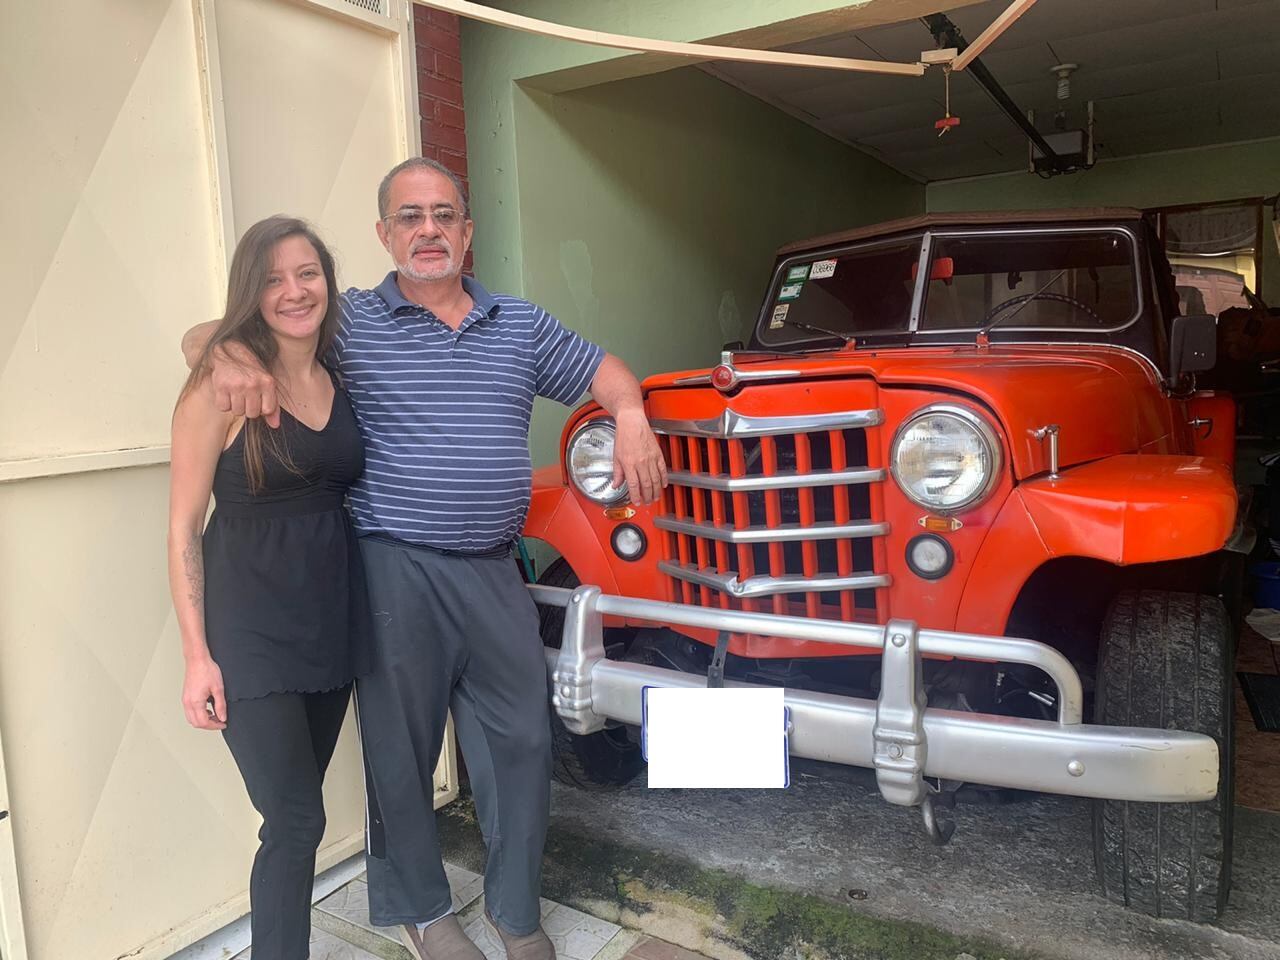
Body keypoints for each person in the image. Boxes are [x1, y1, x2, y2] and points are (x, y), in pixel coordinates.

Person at [182, 158, 667, 960]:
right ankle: (422, 913)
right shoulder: (350, 320)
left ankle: (516, 914)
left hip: (494, 567)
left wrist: (632, 413)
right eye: (410, 216)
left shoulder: (519, 323)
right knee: (398, 753)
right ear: (385, 234)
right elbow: (219, 331)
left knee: (522, 740)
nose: (428, 230)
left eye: (444, 214)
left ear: (468, 232)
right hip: (391, 568)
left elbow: (606, 372)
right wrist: (221, 351)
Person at [169, 216, 371, 960]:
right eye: (273, 278)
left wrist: (211, 339)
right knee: (295, 821)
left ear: (328, 283)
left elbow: (201, 332)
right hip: (249, 632)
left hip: (331, 623)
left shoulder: (337, 370)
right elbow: (183, 527)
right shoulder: (219, 388)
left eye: (308, 273)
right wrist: (197, 656)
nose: (294, 291)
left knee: (296, 820)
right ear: (249, 292)